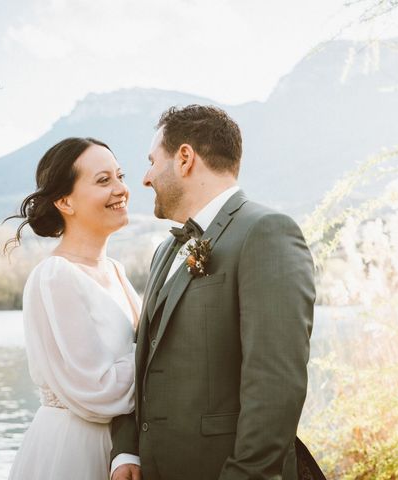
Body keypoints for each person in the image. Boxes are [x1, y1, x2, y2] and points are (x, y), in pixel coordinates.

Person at [111, 105, 316, 480]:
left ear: (185, 158)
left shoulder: (266, 232)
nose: (144, 178)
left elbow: (275, 384)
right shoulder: (164, 252)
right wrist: (127, 450)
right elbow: (142, 359)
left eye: (152, 161)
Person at [6, 137, 140, 480]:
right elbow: (98, 389)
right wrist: (167, 353)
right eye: (103, 180)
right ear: (65, 201)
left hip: (119, 449)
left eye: (120, 176)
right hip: (73, 449)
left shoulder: (116, 271)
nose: (121, 189)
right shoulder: (56, 276)